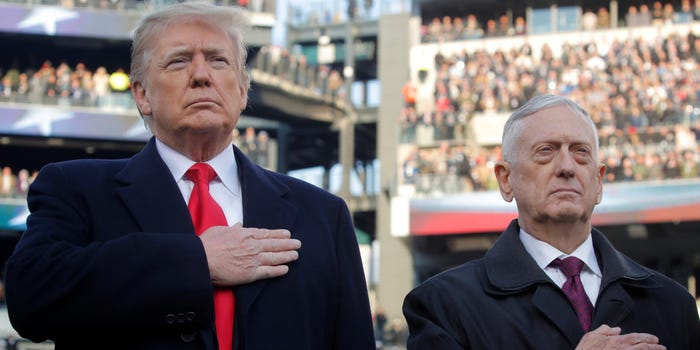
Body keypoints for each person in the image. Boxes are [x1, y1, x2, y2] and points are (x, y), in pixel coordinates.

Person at [4, 2, 375, 349]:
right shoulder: (76, 190)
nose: (201, 75)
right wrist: (197, 261)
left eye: (218, 60)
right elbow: (31, 298)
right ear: (142, 95)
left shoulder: (323, 216)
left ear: (243, 90)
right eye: (179, 62)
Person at [402, 94, 700, 349]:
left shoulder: (673, 305)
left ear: (599, 182)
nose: (567, 167)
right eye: (546, 151)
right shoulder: (444, 305)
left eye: (581, 152)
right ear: (506, 180)